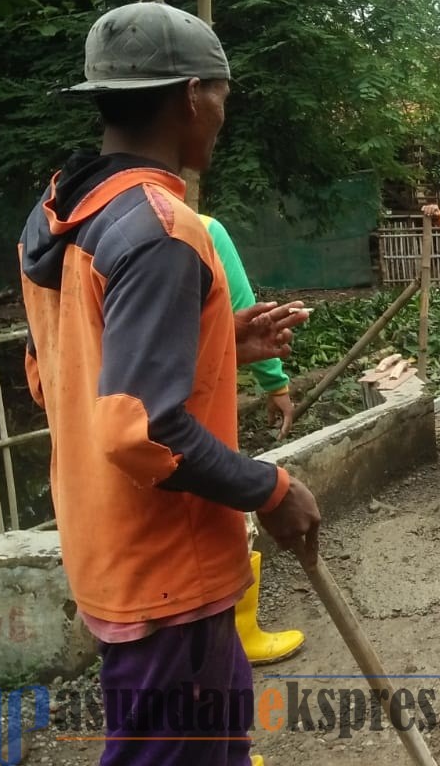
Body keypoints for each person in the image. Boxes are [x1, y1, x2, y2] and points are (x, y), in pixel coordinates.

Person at [19, 1, 321, 765]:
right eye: (221, 93)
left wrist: (221, 340)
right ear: (192, 95)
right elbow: (141, 429)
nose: (223, 112)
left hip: (106, 548)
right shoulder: (161, 229)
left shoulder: (62, 214)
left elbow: (63, 376)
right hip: (169, 573)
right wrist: (272, 489)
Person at [199, 213, 307, 667]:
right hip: (190, 419)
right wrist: (276, 385)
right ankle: (240, 633)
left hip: (93, 439)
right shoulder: (199, 231)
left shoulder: (60, 233)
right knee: (222, 521)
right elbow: (248, 314)